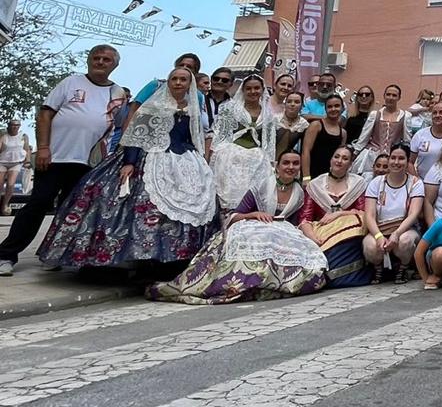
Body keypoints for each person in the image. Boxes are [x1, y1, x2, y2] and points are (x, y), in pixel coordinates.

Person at [39, 67, 216, 273]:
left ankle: (171, 259)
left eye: (183, 80)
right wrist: (129, 162)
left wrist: (199, 161)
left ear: (189, 84)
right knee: (118, 198)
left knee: (191, 206)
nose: (178, 83)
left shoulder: (193, 108)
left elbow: (193, 137)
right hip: (149, 157)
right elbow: (137, 135)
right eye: (174, 79)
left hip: (184, 159)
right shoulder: (154, 105)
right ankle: (121, 258)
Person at [0, 45, 126, 276]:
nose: (100, 62)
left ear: (114, 65)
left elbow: (120, 127)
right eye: (95, 57)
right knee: (39, 203)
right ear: (88, 60)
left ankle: (54, 254)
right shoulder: (71, 82)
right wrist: (45, 148)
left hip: (88, 163)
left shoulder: (118, 93)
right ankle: (6, 255)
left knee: (71, 211)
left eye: (106, 59)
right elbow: (45, 114)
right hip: (55, 157)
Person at [146, 150, 327, 303]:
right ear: (277, 166)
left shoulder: (300, 193)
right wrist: (254, 214)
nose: (291, 167)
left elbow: (301, 220)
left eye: (295, 164)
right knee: (246, 243)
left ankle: (272, 283)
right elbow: (234, 216)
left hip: (281, 232)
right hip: (251, 227)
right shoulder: (261, 187)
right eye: (286, 163)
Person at [298, 145, 371, 288]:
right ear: (330, 160)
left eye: (345, 158)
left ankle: (345, 274)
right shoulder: (315, 185)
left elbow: (364, 212)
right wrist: (313, 238)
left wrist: (339, 214)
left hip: (350, 233)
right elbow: (305, 218)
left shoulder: (358, 183)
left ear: (350, 164)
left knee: (358, 222)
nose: (339, 161)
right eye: (336, 157)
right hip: (322, 233)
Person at [210, 75, 276, 214]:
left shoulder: (268, 115)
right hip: (231, 155)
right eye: (249, 88)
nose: (253, 91)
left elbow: (269, 143)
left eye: (256, 88)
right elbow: (220, 135)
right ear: (243, 90)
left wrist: (270, 162)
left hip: (257, 158)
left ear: (262, 90)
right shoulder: (230, 108)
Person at [362, 144, 424, 281]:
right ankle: (378, 270)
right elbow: (369, 215)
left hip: (405, 229)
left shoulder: (416, 183)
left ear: (408, 162)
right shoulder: (376, 183)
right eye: (393, 158)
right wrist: (378, 236)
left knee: (405, 242)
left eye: (401, 158)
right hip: (379, 228)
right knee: (370, 246)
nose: (396, 162)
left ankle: (402, 269)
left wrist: (396, 234)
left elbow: (413, 214)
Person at [349, 84, 408, 177]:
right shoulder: (375, 114)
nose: (391, 98)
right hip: (372, 154)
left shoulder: (405, 116)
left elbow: (406, 141)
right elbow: (364, 136)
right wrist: (354, 153)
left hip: (393, 157)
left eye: (394, 95)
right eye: (388, 94)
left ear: (399, 98)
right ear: (384, 96)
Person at [301, 94, 347, 182]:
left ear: (342, 108)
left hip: (330, 176)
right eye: (329, 107)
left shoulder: (343, 133)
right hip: (312, 173)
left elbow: (339, 158)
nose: (333, 109)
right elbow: (305, 151)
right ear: (325, 109)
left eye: (336, 106)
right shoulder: (316, 125)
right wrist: (306, 177)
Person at [410, 101, 442, 179]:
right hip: (423, 182)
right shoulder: (420, 135)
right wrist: (417, 181)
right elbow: (410, 163)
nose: (437, 115)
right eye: (434, 113)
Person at [0, 120, 27, 216]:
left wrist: (27, 161)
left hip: (15, 163)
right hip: (2, 162)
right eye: (13, 125)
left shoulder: (23, 136)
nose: (15, 127)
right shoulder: (4, 136)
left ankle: (5, 205)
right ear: (9, 126)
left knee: (11, 184)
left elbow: (26, 149)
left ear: (19, 126)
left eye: (17, 125)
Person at [275, 91, 309, 159]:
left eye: (296, 102)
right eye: (289, 101)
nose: (292, 104)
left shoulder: (304, 124)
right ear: (285, 104)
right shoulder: (274, 120)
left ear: (302, 106)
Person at [204, 67, 236, 134]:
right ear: (211, 80)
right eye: (216, 79)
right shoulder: (200, 100)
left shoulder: (234, 106)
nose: (219, 82)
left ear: (231, 84)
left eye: (225, 80)